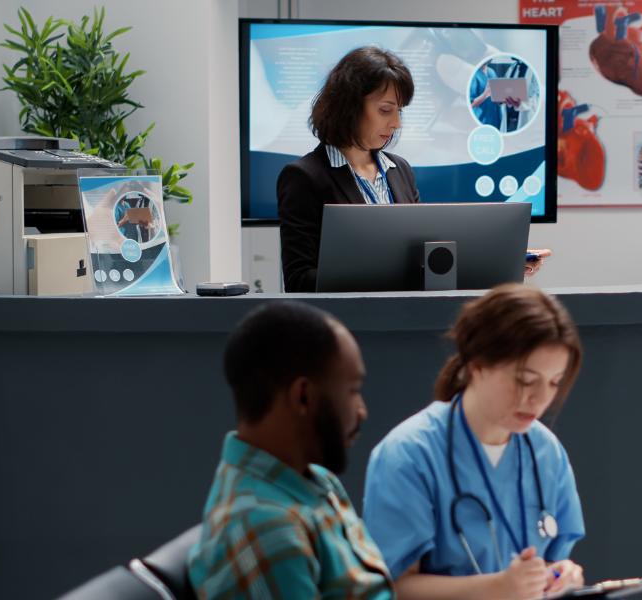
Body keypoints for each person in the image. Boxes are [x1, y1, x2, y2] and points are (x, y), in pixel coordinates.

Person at [362, 284, 587, 600]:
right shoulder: (409, 454)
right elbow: (392, 588)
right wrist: (497, 589)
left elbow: (550, 563)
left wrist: (564, 573)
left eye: (554, 383)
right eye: (525, 380)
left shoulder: (546, 452)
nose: (540, 400)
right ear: (478, 364)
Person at [278, 46, 550, 293]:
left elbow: (427, 255)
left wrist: (503, 261)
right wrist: (383, 273)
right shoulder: (303, 177)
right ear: (347, 107)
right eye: (385, 110)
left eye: (399, 111)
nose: (396, 123)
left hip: (407, 321)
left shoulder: (400, 170)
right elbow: (299, 280)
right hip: (349, 330)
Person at [188, 301, 392, 600]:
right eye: (352, 390)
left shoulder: (314, 478)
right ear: (304, 397)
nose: (362, 411)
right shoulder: (265, 529)